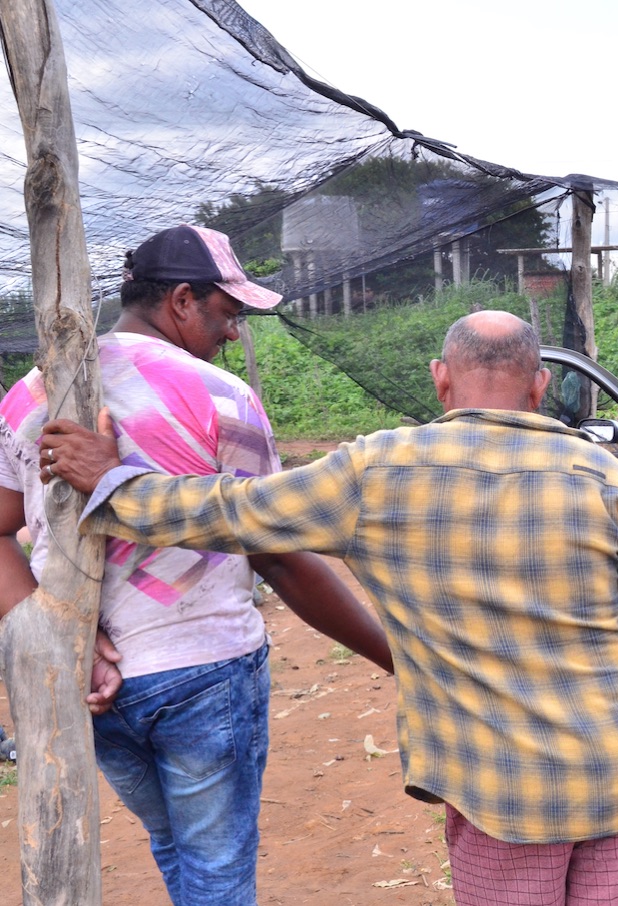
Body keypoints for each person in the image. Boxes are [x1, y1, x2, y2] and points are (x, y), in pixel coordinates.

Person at [42, 310, 618, 906]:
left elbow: (232, 512)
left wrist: (113, 485)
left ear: (440, 380)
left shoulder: (378, 471)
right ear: (539, 387)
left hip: (497, 791)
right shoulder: (602, 476)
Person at [0, 223, 392, 906]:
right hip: (203, 670)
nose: (232, 332)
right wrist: (394, 656)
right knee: (217, 871)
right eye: (227, 311)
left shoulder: (29, 397)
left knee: (173, 847)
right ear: (182, 300)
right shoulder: (219, 397)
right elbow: (279, 557)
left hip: (91, 677)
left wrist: (52, 626)